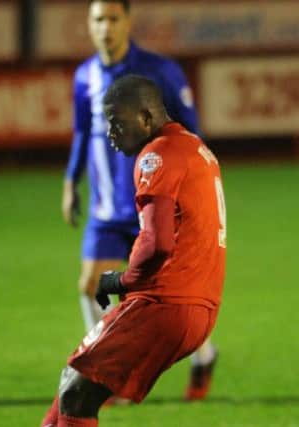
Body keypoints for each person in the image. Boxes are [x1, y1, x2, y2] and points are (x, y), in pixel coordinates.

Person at [42, 74, 226, 427]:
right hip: (200, 308)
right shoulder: (196, 149)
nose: (110, 133)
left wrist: (121, 281)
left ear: (145, 117)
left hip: (164, 304)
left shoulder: (155, 156)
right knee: (77, 386)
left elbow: (156, 244)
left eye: (116, 122)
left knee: (75, 390)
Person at [62, 0, 217, 401]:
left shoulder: (160, 71)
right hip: (107, 207)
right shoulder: (85, 77)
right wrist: (69, 182)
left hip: (159, 199)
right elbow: (81, 133)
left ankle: (203, 355)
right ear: (89, 25)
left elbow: (191, 130)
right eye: (98, 19)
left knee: (162, 296)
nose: (106, 27)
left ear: (128, 21)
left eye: (113, 19)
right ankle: (106, 372)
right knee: (89, 284)